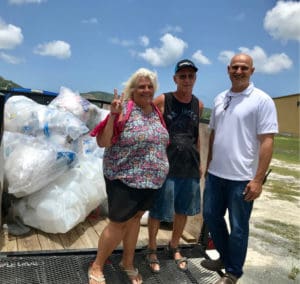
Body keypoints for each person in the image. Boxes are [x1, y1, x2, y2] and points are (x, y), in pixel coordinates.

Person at [201, 53, 278, 284]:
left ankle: (233, 272)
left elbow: (267, 141)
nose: (239, 71)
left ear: (252, 71)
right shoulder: (220, 98)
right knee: (211, 217)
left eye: (244, 68)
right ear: (228, 69)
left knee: (238, 227)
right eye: (235, 67)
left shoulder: (262, 100)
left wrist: (257, 179)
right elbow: (214, 133)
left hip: (242, 178)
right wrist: (208, 165)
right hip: (216, 174)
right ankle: (224, 258)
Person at [88, 68, 169, 284]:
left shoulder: (155, 111)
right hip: (124, 178)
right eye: (141, 86)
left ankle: (128, 262)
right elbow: (103, 142)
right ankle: (97, 265)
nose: (146, 89)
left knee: (134, 221)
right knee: (118, 223)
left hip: (150, 182)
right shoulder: (124, 109)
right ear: (132, 89)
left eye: (149, 86)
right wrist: (114, 115)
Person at [146, 59, 204, 273]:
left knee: (183, 210)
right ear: (175, 79)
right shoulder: (163, 100)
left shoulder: (198, 104)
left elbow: (196, 135)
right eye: (182, 76)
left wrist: (200, 161)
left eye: (190, 76)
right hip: (165, 165)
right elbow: (149, 127)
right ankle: (151, 248)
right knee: (158, 210)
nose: (187, 80)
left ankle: (174, 246)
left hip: (189, 165)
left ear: (195, 79)